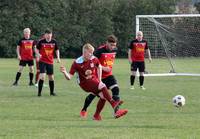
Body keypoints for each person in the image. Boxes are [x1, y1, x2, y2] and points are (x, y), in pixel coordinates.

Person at [60, 43, 128, 121]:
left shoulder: (94, 59)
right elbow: (69, 77)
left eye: (92, 52)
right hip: (84, 83)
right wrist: (64, 72)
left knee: (103, 97)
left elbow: (99, 66)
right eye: (90, 52)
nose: (92, 54)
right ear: (84, 52)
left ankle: (96, 116)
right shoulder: (77, 63)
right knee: (103, 86)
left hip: (93, 80)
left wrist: (99, 79)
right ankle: (114, 104)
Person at [80, 35, 123, 119]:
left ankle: (116, 111)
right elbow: (92, 63)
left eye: (114, 45)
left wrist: (108, 68)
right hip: (98, 76)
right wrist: (103, 68)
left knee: (116, 89)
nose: (113, 47)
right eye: (111, 45)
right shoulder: (99, 51)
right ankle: (84, 109)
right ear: (106, 43)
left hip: (109, 75)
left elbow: (110, 61)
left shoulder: (115, 50)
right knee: (93, 95)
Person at [36, 29, 60, 96]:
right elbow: (36, 49)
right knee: (42, 76)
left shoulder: (54, 42)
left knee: (51, 77)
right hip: (42, 61)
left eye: (50, 34)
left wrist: (58, 57)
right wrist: (38, 54)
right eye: (47, 34)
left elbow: (57, 50)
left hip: (50, 62)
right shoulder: (41, 41)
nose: (49, 36)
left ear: (51, 35)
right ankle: (39, 93)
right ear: (45, 35)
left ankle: (52, 92)